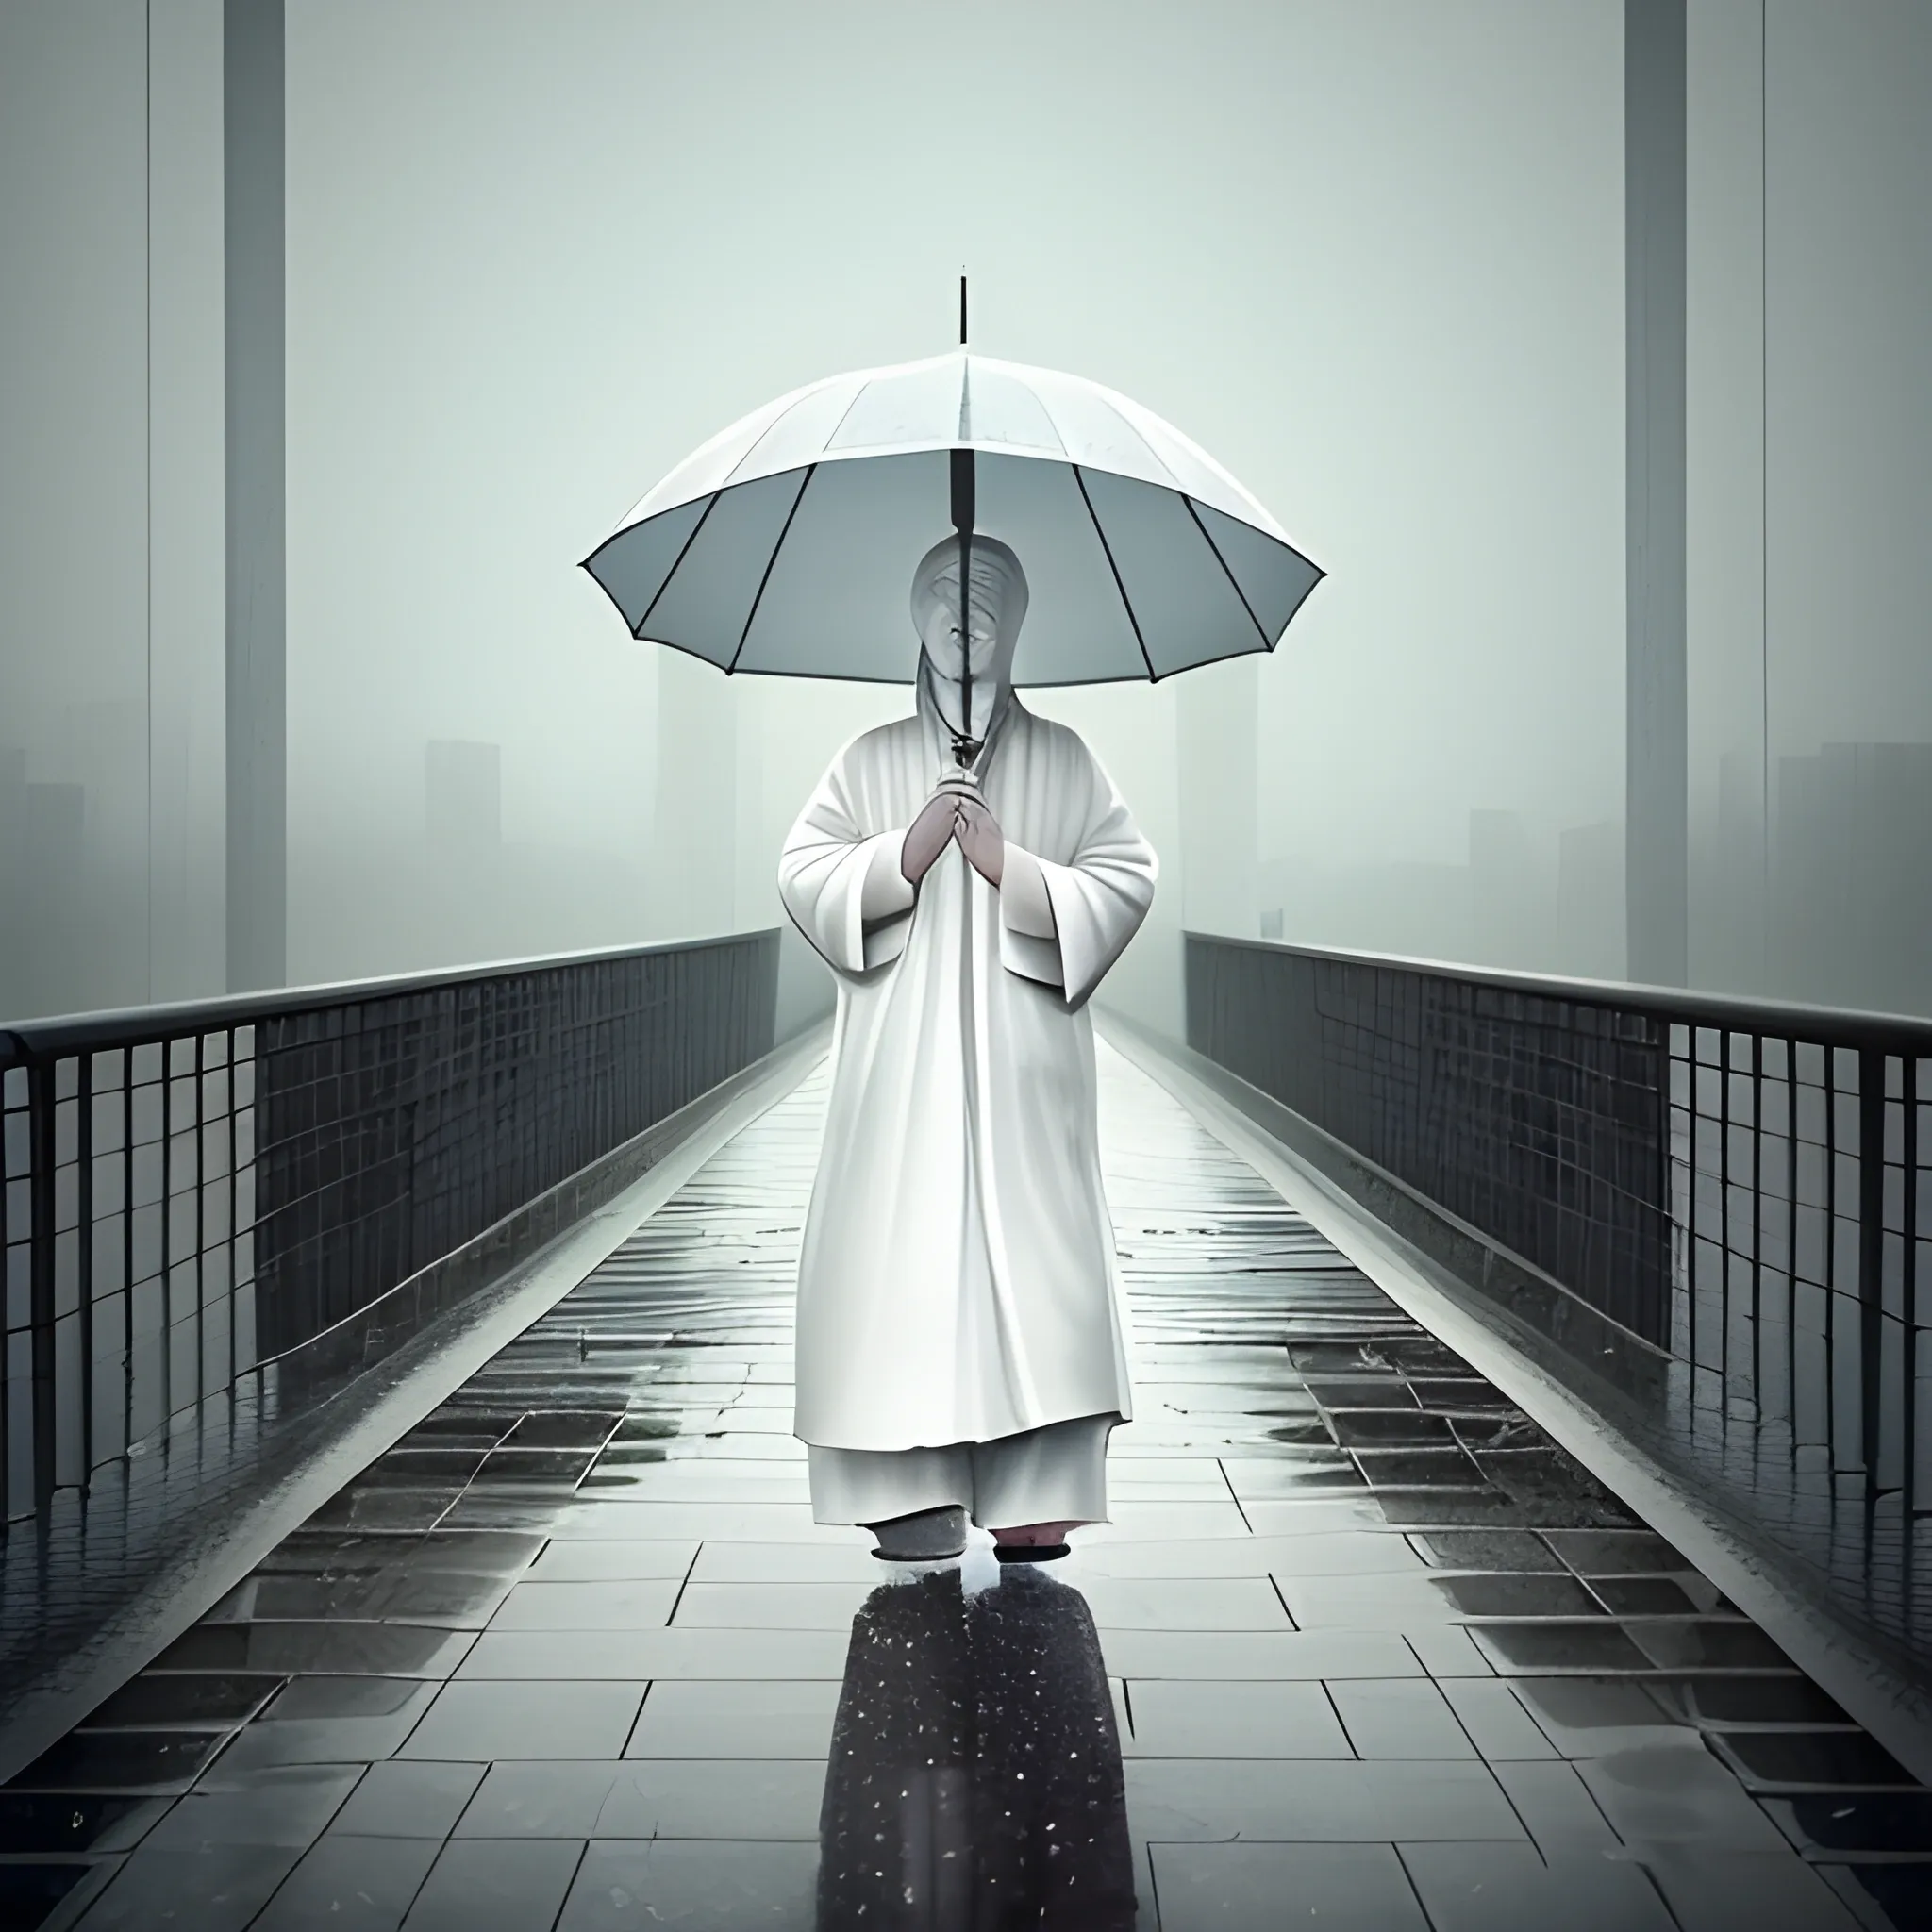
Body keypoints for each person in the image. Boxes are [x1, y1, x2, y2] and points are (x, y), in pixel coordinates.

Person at [777, 532, 1157, 1563]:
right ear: (912, 612)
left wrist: (1012, 869)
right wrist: (900, 857)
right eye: (942, 593)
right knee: (897, 1255)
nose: (961, 614)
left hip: (1023, 1066)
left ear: (1018, 620)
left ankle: (1033, 1486)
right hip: (897, 1069)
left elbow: (1124, 876)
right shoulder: (866, 760)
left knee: (1034, 1268)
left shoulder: (1064, 758)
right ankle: (906, 1486)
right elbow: (803, 870)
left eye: (985, 596)